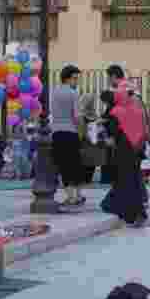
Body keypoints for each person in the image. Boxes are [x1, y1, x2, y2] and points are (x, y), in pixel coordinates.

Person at [99, 83, 148, 228]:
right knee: (133, 182)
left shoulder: (116, 112)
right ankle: (139, 213)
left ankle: (130, 214)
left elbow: (112, 135)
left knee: (124, 182)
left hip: (122, 151)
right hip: (136, 149)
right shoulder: (137, 110)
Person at [51, 65, 86, 207]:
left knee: (63, 165)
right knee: (75, 164)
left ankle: (70, 196)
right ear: (67, 78)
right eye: (75, 78)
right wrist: (82, 131)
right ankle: (78, 195)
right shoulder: (73, 93)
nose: (76, 81)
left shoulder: (54, 92)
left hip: (56, 132)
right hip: (71, 132)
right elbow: (77, 116)